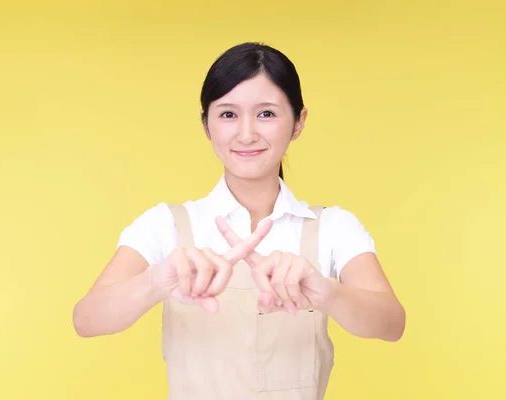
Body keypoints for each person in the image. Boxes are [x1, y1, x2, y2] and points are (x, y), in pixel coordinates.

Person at [72, 42, 406, 400]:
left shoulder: (334, 227)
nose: (246, 134)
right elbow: (87, 320)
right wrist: (158, 280)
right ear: (206, 124)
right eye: (228, 114)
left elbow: (391, 323)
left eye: (266, 114)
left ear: (298, 123)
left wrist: (324, 291)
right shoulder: (165, 224)